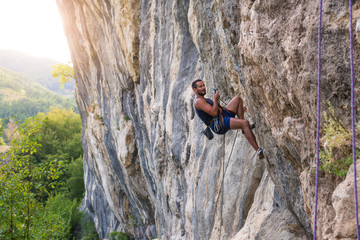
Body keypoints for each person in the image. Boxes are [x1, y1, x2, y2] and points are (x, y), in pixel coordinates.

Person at [192, 79, 264, 159]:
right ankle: (258, 150)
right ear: (195, 90)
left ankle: (244, 128)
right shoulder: (198, 102)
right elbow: (214, 113)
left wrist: (238, 111)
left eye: (203, 85)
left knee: (237, 99)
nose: (203, 88)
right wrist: (215, 99)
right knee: (245, 123)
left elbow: (217, 109)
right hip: (218, 123)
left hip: (222, 115)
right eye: (200, 86)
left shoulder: (203, 99)